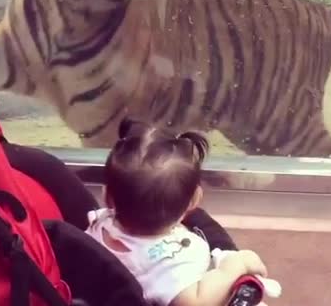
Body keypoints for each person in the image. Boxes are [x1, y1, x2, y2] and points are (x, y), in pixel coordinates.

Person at [83, 119, 270, 306]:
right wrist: (234, 266)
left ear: (107, 197)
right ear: (194, 200)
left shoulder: (100, 224)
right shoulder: (170, 262)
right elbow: (195, 302)